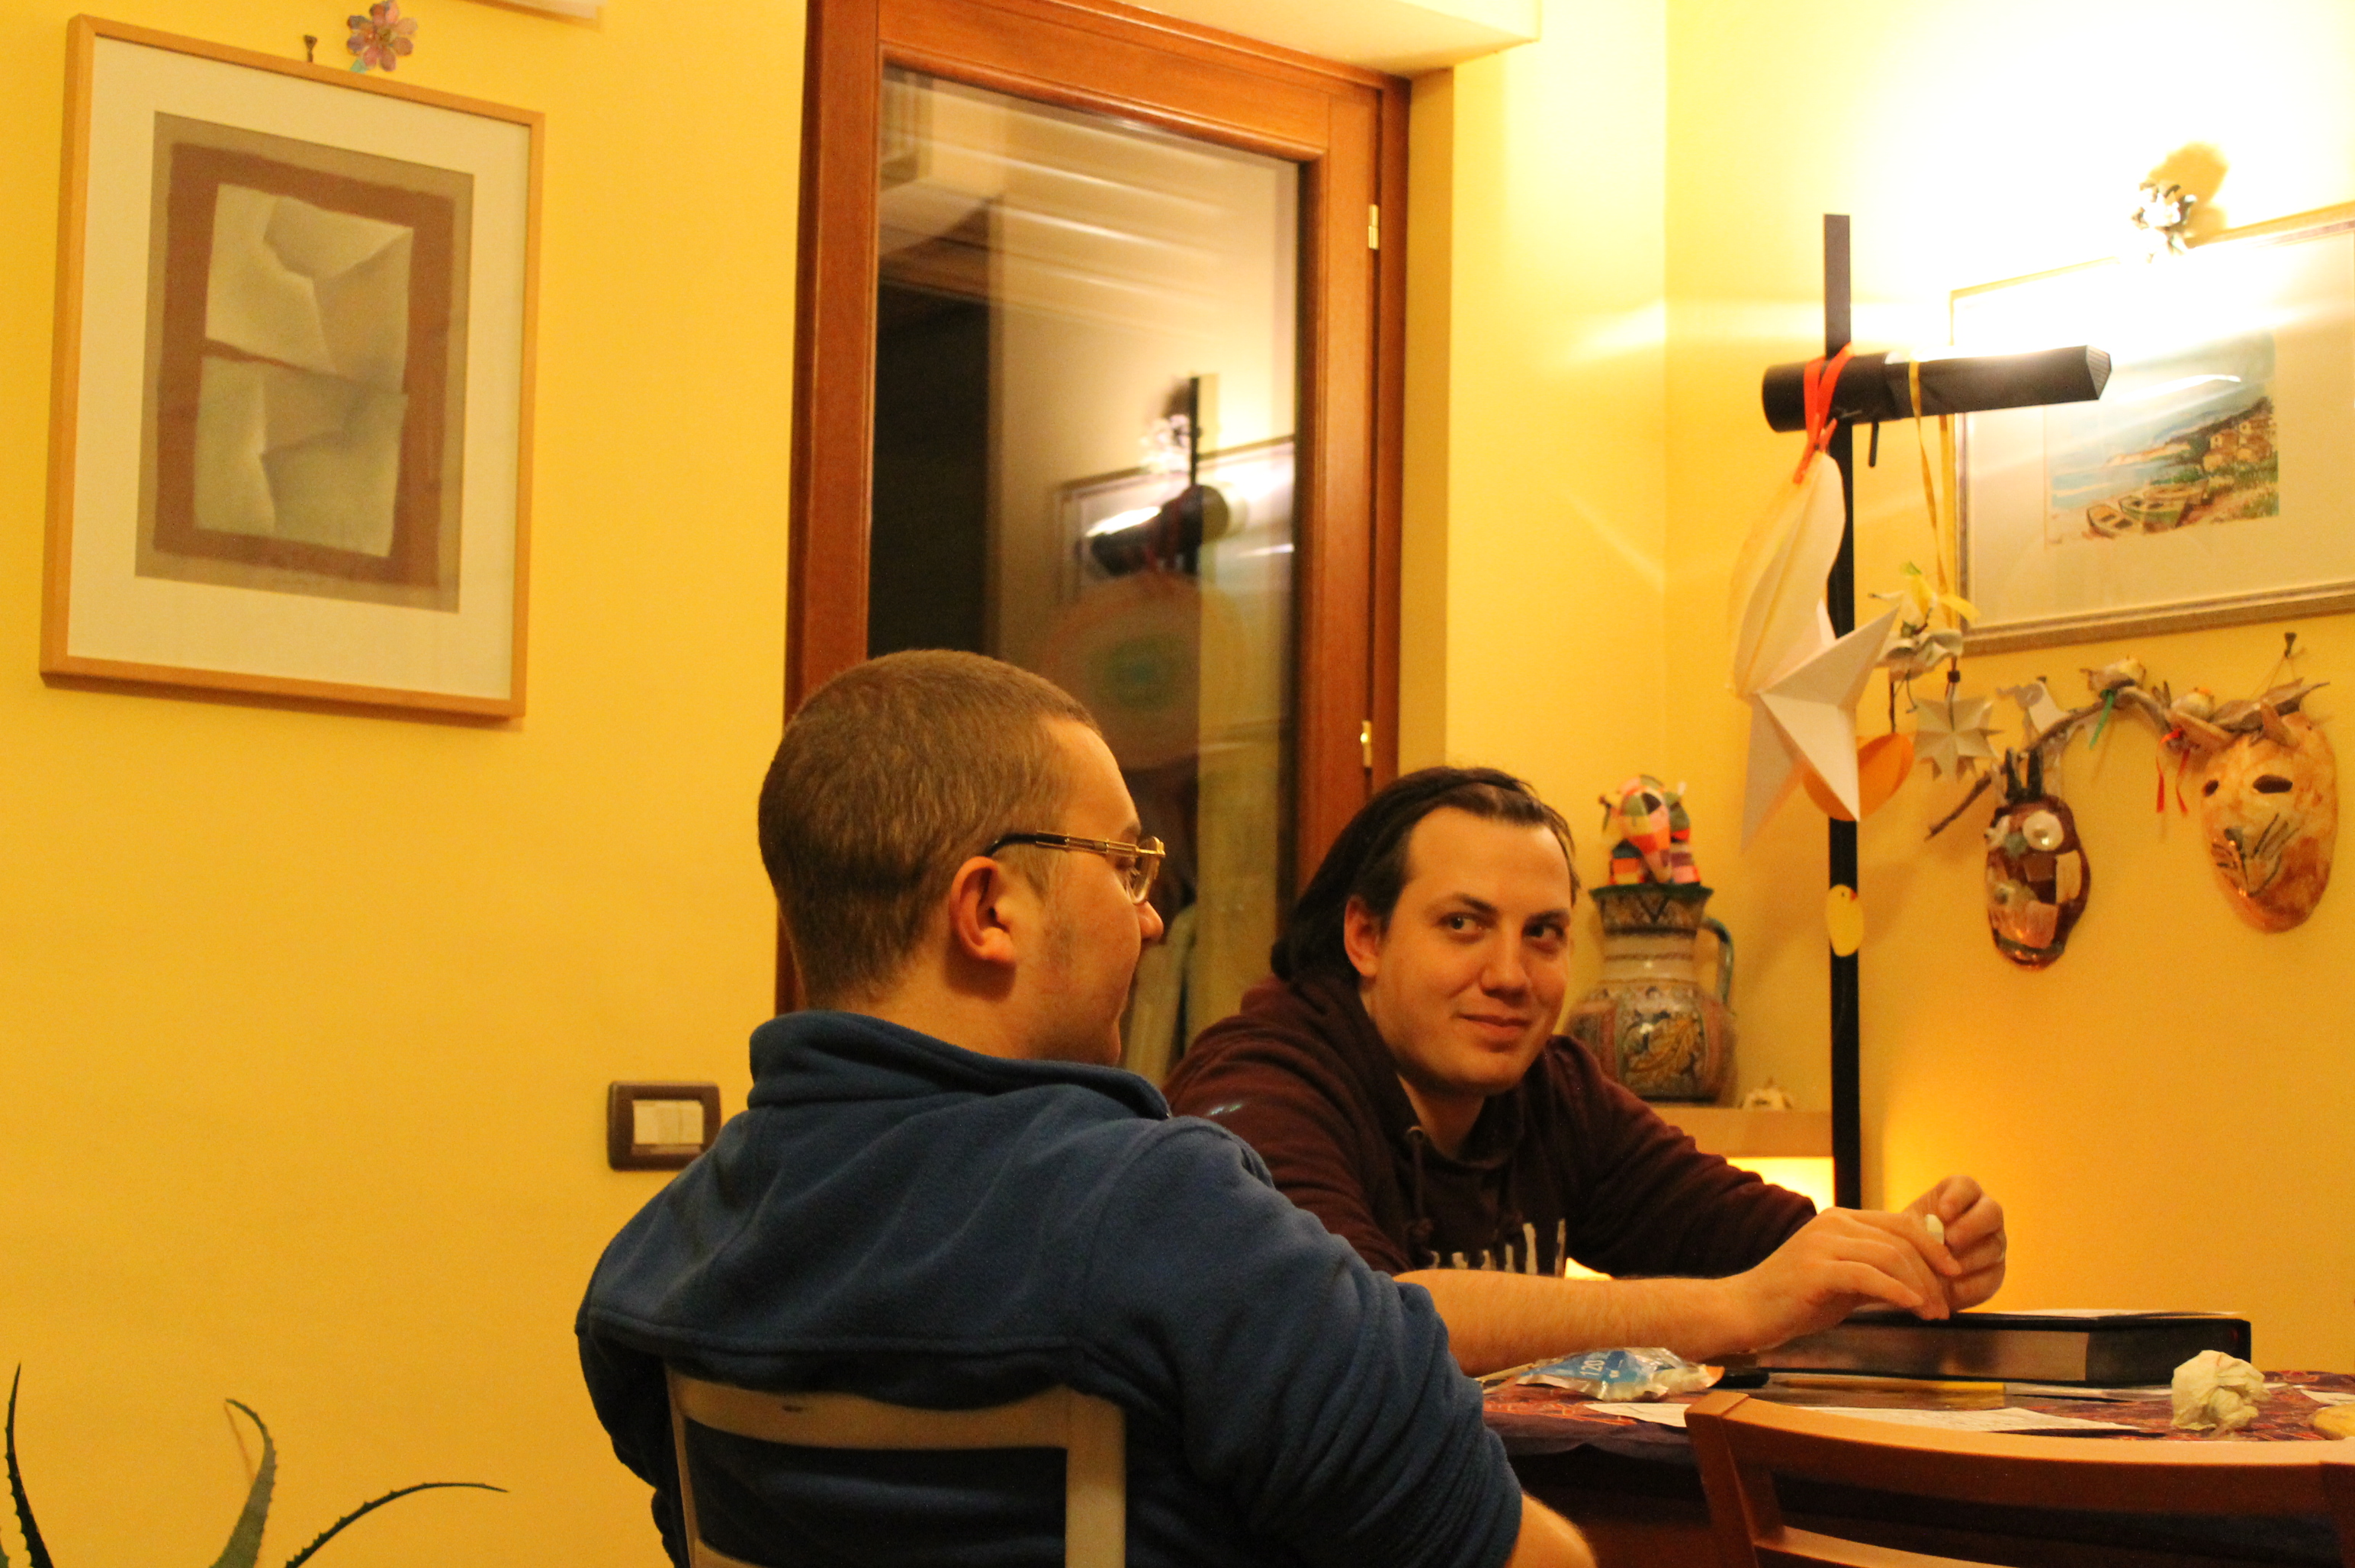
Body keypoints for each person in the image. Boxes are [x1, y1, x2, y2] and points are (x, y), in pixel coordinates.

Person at [577, 656, 1592, 1568]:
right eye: (1123, 866)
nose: (1149, 917)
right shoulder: (1170, 1216)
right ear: (990, 910)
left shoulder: (661, 1260)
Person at [1164, 766, 2008, 1377]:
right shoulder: (1259, 1085)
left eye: (1542, 933)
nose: (1510, 975)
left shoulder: (1552, 1091)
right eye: (1462, 924)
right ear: (1365, 938)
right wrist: (1735, 1308)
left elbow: (1765, 1248)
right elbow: (1362, 1317)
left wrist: (1913, 1253)